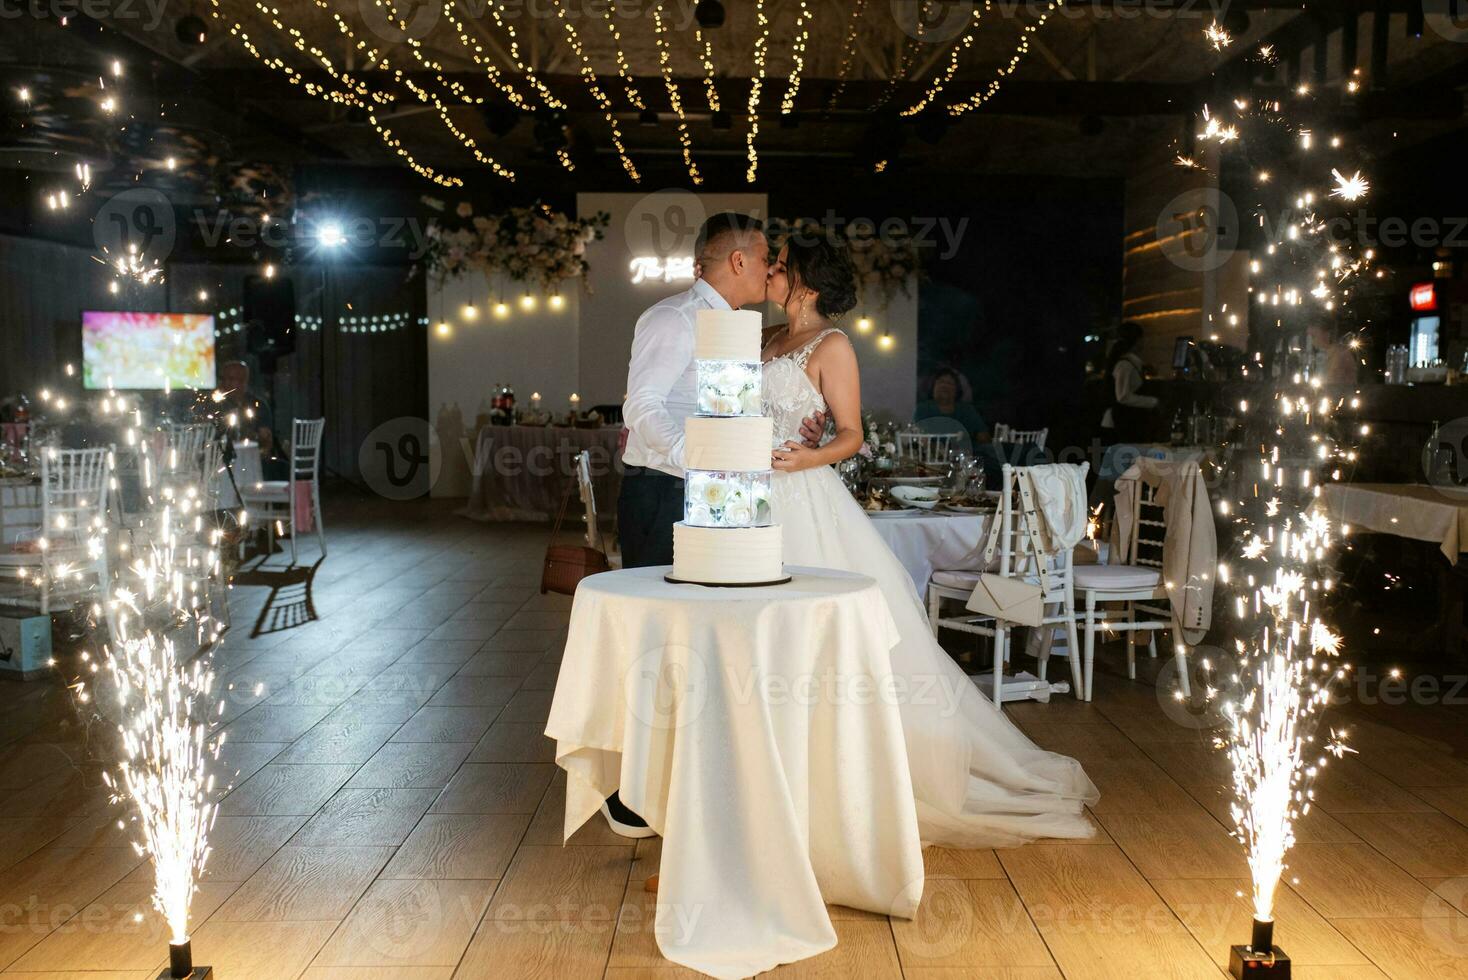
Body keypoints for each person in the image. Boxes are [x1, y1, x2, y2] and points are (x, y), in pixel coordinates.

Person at [761, 234, 1098, 848]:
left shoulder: (831, 345)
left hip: (804, 500)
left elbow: (852, 436)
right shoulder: (768, 340)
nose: (771, 273)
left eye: (781, 267)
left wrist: (806, 456)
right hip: (759, 501)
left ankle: (845, 769)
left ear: (806, 283)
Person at [613, 212, 820, 840]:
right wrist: (697, 456)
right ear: (738, 262)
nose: (771, 271)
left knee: (706, 641)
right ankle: (631, 796)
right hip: (662, 491)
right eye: (765, 260)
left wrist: (791, 432)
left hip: (714, 497)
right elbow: (641, 407)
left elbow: (735, 413)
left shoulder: (737, 331)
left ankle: (691, 782)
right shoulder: (673, 319)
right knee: (660, 643)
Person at [1098, 321, 1157, 444]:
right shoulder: (1125, 364)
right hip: (1120, 424)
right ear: (1138, 341)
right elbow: (1123, 396)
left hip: (1122, 422)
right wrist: (1153, 402)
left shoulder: (1128, 363)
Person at [914, 367, 991, 444]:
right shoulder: (923, 409)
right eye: (941, 382)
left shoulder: (967, 410)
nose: (945, 386)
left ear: (956, 390)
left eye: (950, 383)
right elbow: (921, 439)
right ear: (933, 387)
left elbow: (983, 436)